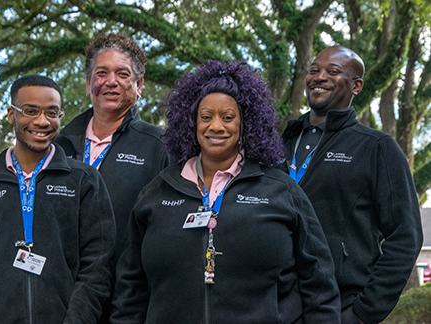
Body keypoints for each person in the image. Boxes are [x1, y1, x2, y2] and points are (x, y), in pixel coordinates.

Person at [111, 60, 341, 324]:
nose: (216, 126)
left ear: (246, 124)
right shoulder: (156, 192)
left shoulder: (282, 190)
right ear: (192, 124)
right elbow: (130, 289)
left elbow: (319, 284)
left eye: (228, 117)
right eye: (206, 117)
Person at [0, 75, 116, 323]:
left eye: (52, 112)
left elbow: (98, 266)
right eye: (30, 111)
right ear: (11, 115)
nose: (42, 121)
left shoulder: (83, 181)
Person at [282, 45, 423, 324]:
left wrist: (362, 314)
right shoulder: (280, 143)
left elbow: (406, 236)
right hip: (275, 305)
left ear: (356, 86)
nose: (319, 77)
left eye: (333, 72)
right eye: (314, 70)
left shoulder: (377, 148)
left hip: (338, 308)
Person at [56, 33, 172, 262]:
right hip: (65, 290)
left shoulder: (161, 146)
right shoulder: (59, 146)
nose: (111, 81)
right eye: (101, 73)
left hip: (127, 291)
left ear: (138, 85)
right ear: (89, 84)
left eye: (122, 74)